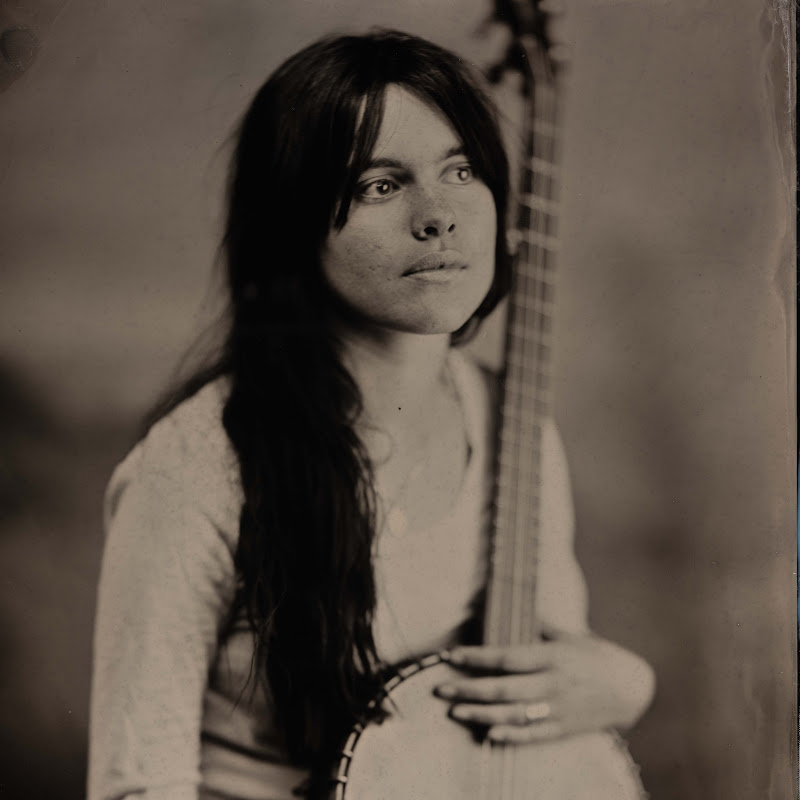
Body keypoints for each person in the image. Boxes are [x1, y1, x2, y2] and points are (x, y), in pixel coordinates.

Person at [88, 29, 655, 800]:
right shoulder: (194, 468)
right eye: (380, 186)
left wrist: (624, 685)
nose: (438, 215)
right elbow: (139, 784)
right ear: (293, 224)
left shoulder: (511, 426)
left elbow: (544, 691)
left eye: (462, 171)